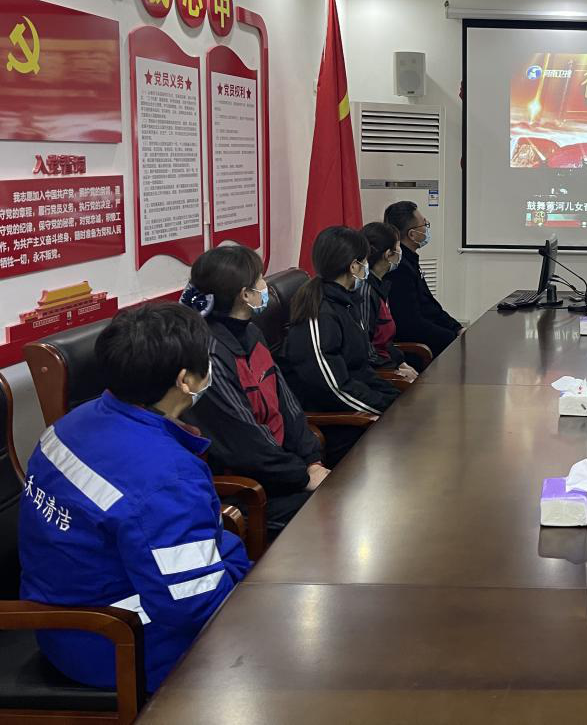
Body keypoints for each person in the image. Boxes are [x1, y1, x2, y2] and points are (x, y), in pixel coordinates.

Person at [18, 303, 251, 691]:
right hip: (116, 640)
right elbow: (197, 606)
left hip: (60, 619)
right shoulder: (166, 476)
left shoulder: (74, 422)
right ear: (184, 381)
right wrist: (239, 564)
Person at [179, 246, 331, 530]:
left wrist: (312, 460)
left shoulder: (251, 333)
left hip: (285, 469)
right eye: (260, 279)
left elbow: (287, 405)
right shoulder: (208, 356)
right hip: (251, 489)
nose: (266, 286)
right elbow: (244, 442)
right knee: (337, 508)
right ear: (245, 295)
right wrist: (301, 476)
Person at [282, 226, 399, 415]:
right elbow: (333, 389)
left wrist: (394, 399)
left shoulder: (347, 302)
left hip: (357, 404)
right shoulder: (319, 315)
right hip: (338, 417)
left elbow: (361, 369)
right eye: (364, 261)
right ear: (353, 266)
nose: (367, 266)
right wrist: (386, 411)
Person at [383, 200, 463, 356]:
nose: (427, 229)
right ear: (412, 234)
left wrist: (457, 328)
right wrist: (452, 338)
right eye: (425, 225)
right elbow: (411, 323)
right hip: (417, 348)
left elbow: (430, 306)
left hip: (430, 338)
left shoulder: (410, 261)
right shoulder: (399, 268)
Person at [360, 221, 420, 380]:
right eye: (398, 247)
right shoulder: (365, 292)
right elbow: (366, 349)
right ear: (388, 254)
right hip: (376, 373)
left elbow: (385, 342)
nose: (401, 252)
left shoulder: (381, 285)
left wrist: (400, 362)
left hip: (386, 364)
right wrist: (394, 370)